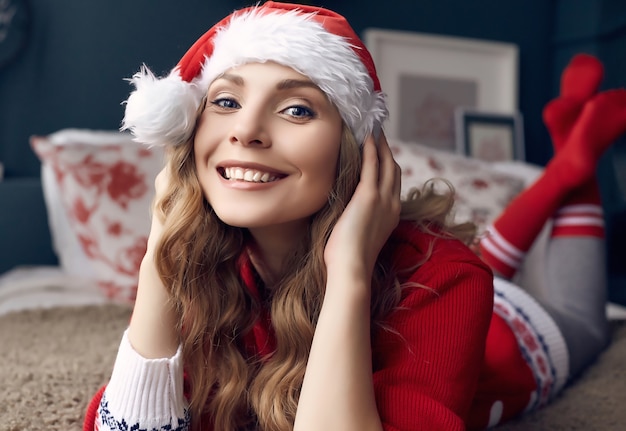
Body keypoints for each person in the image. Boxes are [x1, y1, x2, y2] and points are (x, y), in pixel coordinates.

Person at [83, 2, 626, 431]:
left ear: (354, 151)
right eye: (224, 101)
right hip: (448, 274)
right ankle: (567, 156)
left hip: (517, 332)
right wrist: (163, 249)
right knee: (477, 256)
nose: (245, 131)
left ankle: (574, 166)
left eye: (297, 108)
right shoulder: (212, 263)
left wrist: (348, 275)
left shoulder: (449, 278)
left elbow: (450, 277)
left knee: (588, 321)